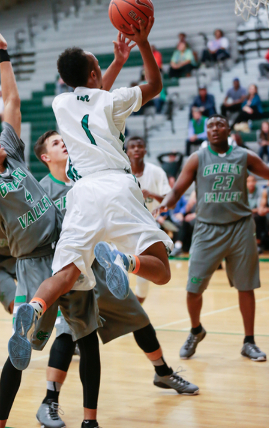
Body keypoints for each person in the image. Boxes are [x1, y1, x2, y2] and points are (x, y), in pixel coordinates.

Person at [0, 20, 107, 428]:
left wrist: (4, 52)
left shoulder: (15, 156)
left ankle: (90, 420)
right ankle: (0, 423)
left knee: (86, 338)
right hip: (34, 265)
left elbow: (12, 102)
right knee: (23, 349)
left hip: (65, 248)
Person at [11, 20, 174, 374]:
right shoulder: (113, 100)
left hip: (81, 195)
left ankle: (36, 308)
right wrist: (142, 44)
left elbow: (91, 98)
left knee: (68, 273)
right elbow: (154, 85)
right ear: (95, 71)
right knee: (160, 270)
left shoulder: (60, 104)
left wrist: (110, 65)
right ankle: (122, 261)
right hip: (117, 187)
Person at [33, 131, 198, 427]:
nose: (66, 144)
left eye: (65, 139)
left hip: (103, 266)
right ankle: (49, 401)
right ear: (46, 157)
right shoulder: (44, 190)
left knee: (138, 317)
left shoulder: (87, 178)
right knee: (67, 333)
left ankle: (162, 373)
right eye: (57, 143)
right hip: (72, 273)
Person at [160, 114, 267, 362]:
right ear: (205, 132)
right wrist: (166, 203)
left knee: (246, 287)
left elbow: (267, 172)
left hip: (240, 228)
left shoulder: (243, 155)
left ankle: (249, 342)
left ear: (228, 129)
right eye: (210, 126)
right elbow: (177, 189)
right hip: (207, 229)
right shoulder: (197, 158)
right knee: (193, 289)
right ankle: (196, 330)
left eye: (219, 124)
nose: (214, 129)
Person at [126, 136, 171, 303]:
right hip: (122, 229)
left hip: (147, 230)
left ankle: (133, 314)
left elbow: (168, 203)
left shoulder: (157, 172)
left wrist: (151, 194)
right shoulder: (121, 172)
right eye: (133, 147)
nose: (136, 149)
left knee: (143, 284)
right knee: (118, 277)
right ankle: (121, 314)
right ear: (127, 151)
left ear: (145, 150)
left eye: (140, 146)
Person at [247, 175, 266, 253]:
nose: (251, 183)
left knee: (257, 217)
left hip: (256, 216)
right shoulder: (242, 192)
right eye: (248, 181)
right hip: (246, 215)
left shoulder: (261, 191)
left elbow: (261, 209)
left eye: (252, 181)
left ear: (255, 182)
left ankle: (257, 244)